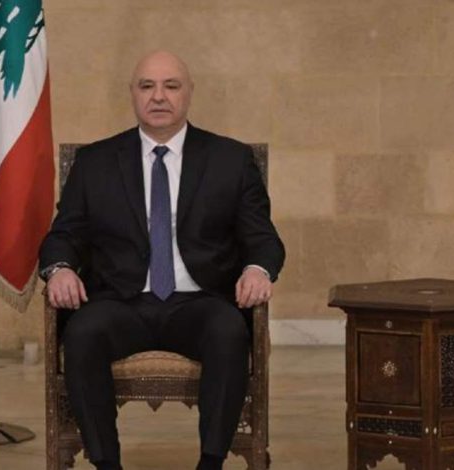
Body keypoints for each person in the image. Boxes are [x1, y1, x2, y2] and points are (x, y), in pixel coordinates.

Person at [38, 50, 285, 470]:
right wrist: (59, 269)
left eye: (171, 86)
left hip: (200, 301)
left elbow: (263, 238)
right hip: (121, 301)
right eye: (147, 86)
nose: (158, 96)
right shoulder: (95, 161)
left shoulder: (230, 159)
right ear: (132, 94)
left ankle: (210, 462)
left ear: (189, 93)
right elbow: (64, 234)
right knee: (82, 333)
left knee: (228, 331)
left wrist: (257, 269)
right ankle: (106, 463)